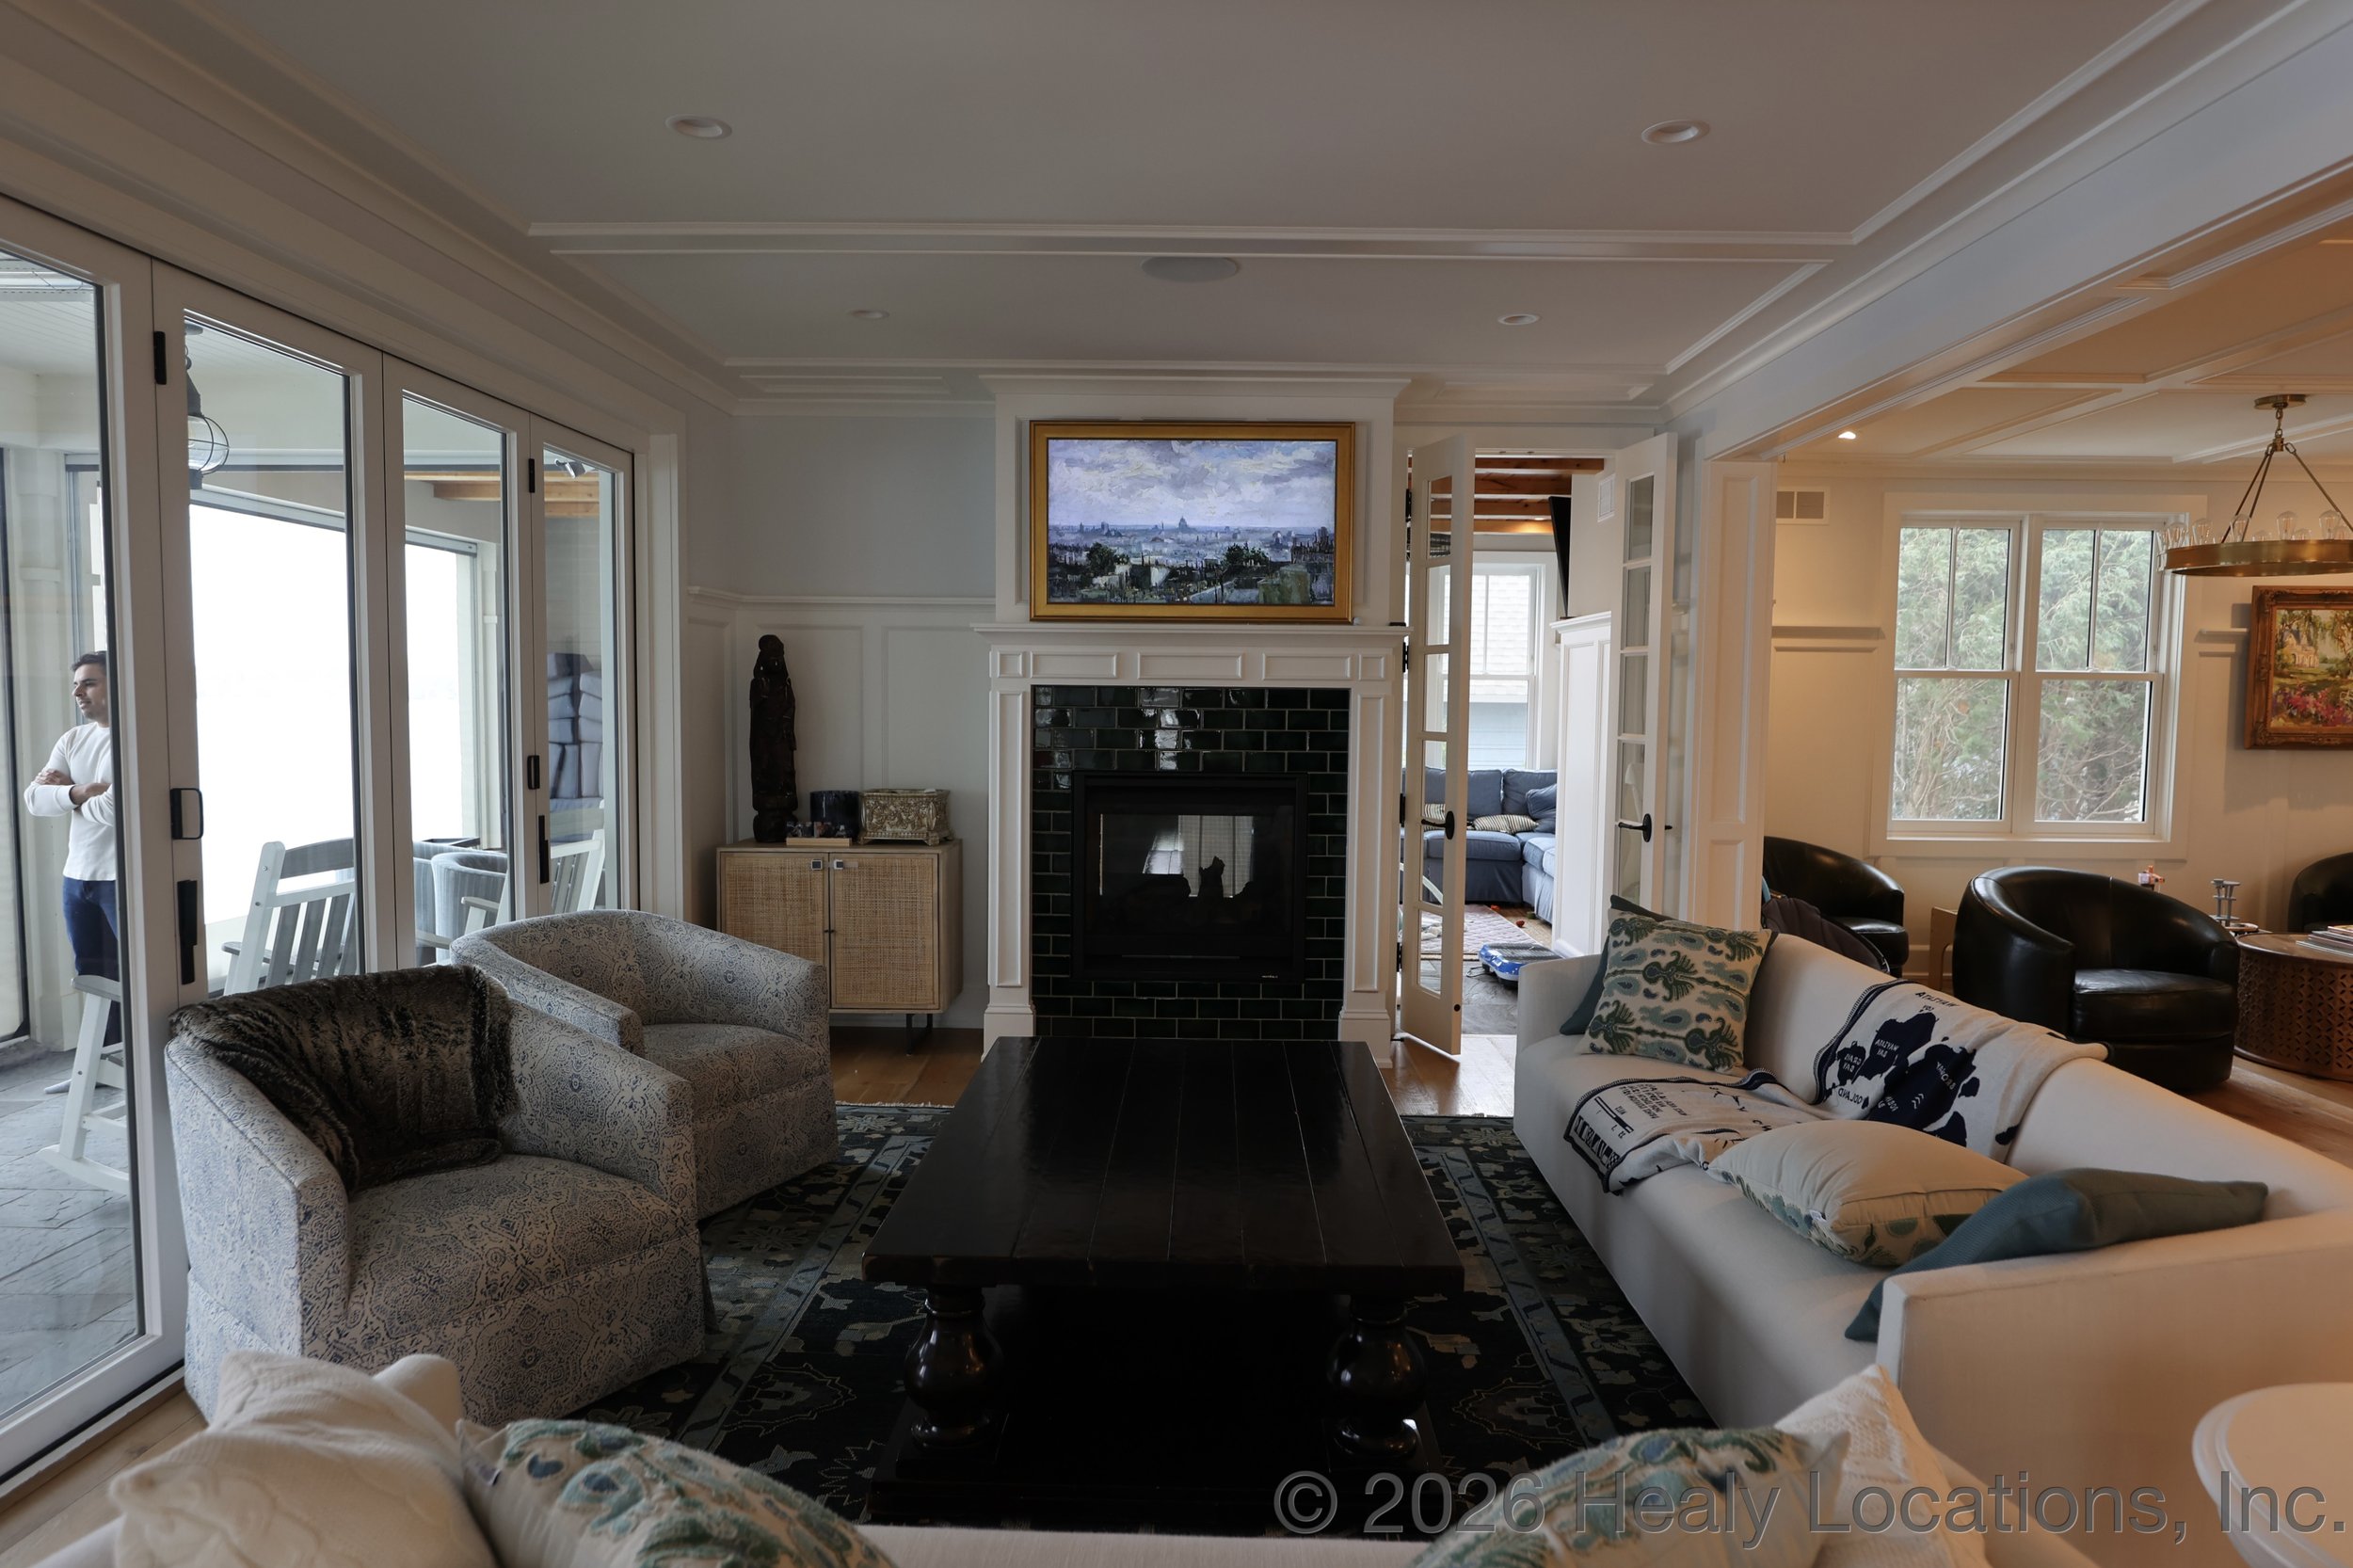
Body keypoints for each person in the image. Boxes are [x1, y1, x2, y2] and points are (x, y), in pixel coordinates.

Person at [24, 653, 117, 1043]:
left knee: (132, 976)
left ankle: (139, 1059)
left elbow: (116, 810)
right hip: (76, 878)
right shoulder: (73, 739)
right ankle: (102, 1060)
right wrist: (81, 791)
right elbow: (34, 800)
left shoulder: (133, 737)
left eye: (89, 683)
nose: (78, 692)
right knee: (92, 977)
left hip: (119, 878)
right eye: (76, 684)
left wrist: (65, 795)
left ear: (118, 683)